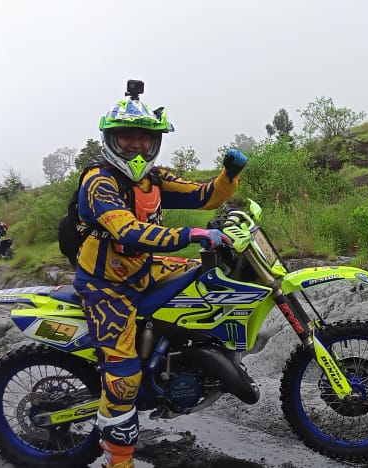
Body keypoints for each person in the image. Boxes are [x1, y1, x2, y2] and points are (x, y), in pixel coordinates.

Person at [75, 83, 246, 468]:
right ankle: (118, 460)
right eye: (127, 136)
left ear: (154, 142)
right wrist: (191, 234)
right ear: (111, 139)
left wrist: (229, 174)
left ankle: (178, 356)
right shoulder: (99, 182)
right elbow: (127, 231)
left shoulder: (152, 179)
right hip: (106, 285)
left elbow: (204, 195)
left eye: (144, 137)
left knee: (203, 278)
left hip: (143, 268)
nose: (136, 145)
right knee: (123, 377)